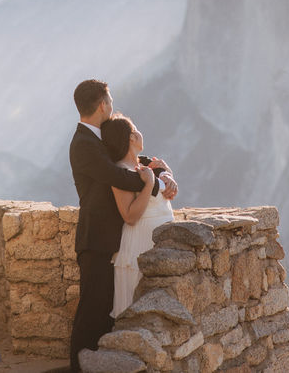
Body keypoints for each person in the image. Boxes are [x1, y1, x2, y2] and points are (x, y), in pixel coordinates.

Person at [68, 79, 177, 372]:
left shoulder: (98, 138)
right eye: (110, 100)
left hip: (111, 237)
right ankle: (77, 366)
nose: (112, 105)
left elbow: (127, 157)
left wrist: (162, 171)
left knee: (104, 311)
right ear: (103, 105)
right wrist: (152, 183)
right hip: (95, 238)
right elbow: (115, 174)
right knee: (91, 308)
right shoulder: (82, 143)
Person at [101, 113, 175, 317]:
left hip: (163, 241)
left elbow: (164, 197)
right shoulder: (121, 172)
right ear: (131, 138)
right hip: (141, 241)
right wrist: (150, 184)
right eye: (136, 129)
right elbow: (130, 216)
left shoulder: (144, 167)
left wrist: (167, 174)